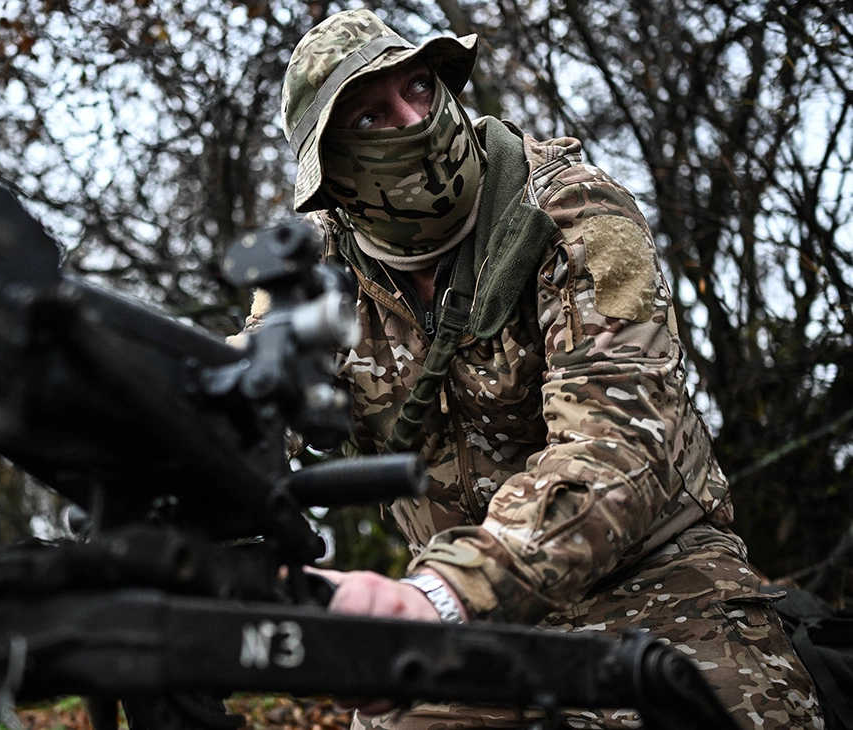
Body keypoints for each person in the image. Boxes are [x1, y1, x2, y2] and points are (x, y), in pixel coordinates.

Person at [263, 8, 825, 729]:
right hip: (456, 625)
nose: (414, 120)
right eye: (371, 117)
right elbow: (247, 426)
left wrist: (439, 595)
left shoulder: (574, 211)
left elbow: (619, 448)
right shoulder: (312, 270)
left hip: (653, 581)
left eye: (422, 89)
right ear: (332, 171)